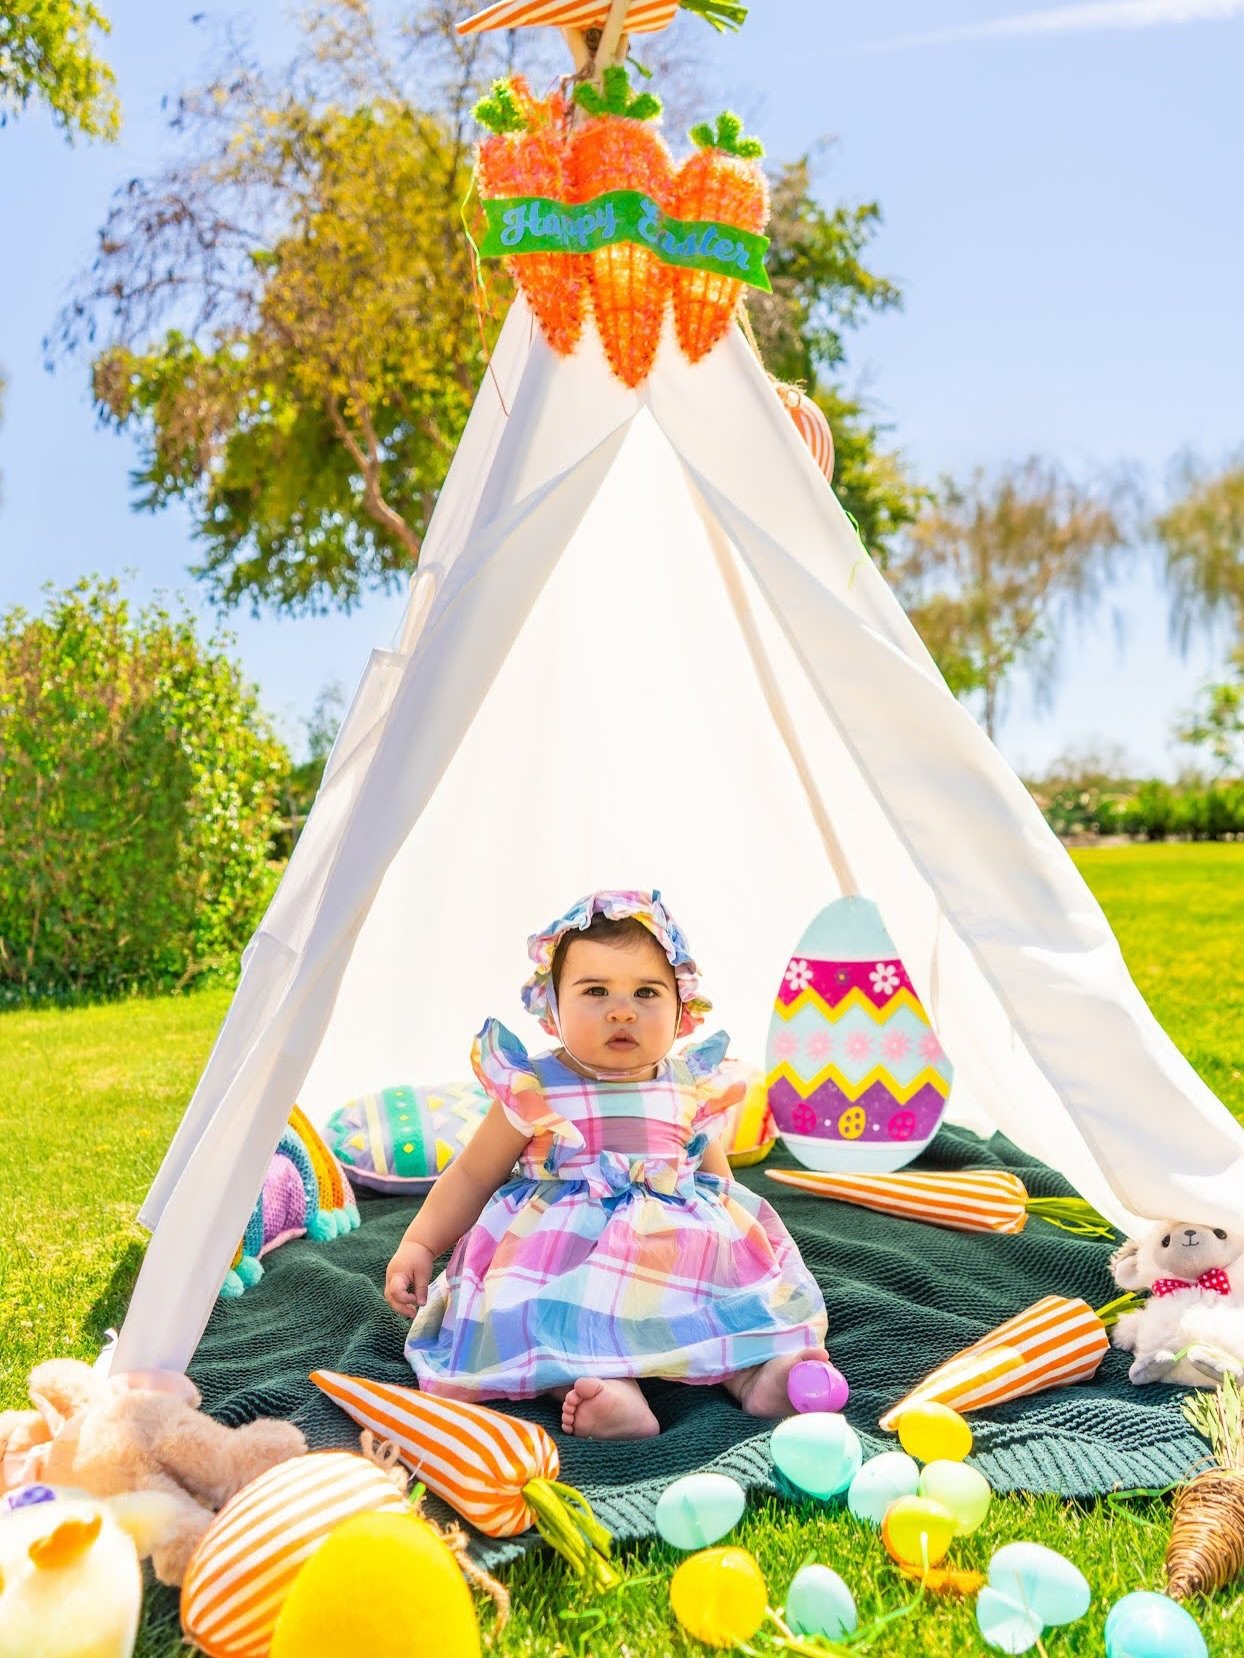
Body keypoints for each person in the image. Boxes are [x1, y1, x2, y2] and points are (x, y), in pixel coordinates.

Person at [385, 889, 828, 1440]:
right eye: (596, 991)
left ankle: (755, 1376)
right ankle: (605, 1389)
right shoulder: (535, 1086)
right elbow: (474, 1175)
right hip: (564, 1253)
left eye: (646, 992)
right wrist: (420, 1243)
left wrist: (736, 1252)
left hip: (672, 1251)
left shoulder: (688, 1084)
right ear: (553, 1007)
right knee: (541, 1314)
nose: (622, 1011)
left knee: (728, 1302)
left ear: (681, 1008)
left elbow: (715, 1179)